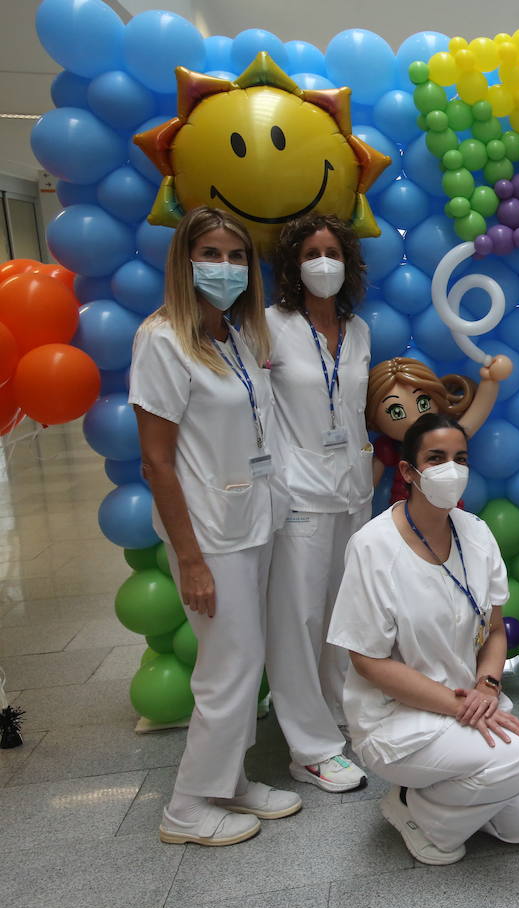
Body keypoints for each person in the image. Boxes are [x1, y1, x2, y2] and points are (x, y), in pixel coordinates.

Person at [130, 206, 298, 846]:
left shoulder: (230, 333)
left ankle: (227, 783)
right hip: (208, 533)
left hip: (249, 521)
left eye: (235, 257)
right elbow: (156, 459)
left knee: (245, 660)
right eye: (211, 254)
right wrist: (191, 558)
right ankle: (186, 808)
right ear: (184, 260)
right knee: (227, 670)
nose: (224, 267)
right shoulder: (163, 339)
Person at [327, 413, 519, 865]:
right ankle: (416, 811)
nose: (451, 469)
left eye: (460, 458)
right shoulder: (372, 547)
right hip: (397, 718)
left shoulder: (476, 533)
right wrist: (458, 706)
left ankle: (440, 788)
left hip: (471, 702)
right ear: (409, 472)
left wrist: (487, 685)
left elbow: (493, 630)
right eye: (436, 458)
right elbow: (368, 662)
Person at [263, 213, 372, 793]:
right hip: (299, 493)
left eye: (332, 251)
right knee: (297, 620)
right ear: (293, 263)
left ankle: (338, 713)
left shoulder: (358, 331)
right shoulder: (270, 325)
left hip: (354, 490)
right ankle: (308, 747)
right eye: (311, 252)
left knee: (342, 616)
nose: (322, 262)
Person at [366, 355, 511, 509]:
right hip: (405, 512)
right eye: (396, 412)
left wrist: (490, 381)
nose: (414, 419)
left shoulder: (447, 436)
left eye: (423, 403)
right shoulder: (389, 448)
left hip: (446, 511)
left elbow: (476, 414)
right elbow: (368, 486)